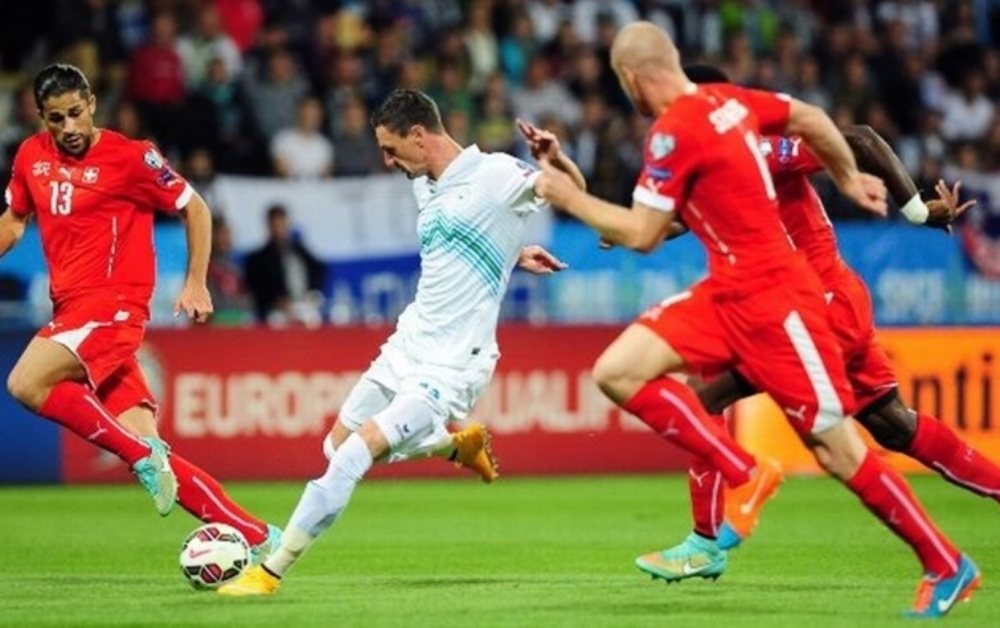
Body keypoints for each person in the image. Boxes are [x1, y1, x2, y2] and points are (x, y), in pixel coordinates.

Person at [532, 23, 977, 617]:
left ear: (632, 78)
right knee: (618, 370)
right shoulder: (733, 105)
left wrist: (565, 196)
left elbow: (641, 234)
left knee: (838, 448)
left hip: (779, 299)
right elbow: (811, 118)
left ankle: (945, 562)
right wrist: (849, 178)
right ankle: (743, 473)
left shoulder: (670, 134)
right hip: (726, 292)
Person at [637, 69, 994, 610]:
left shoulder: (760, 147)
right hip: (826, 300)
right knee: (894, 426)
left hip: (816, 303)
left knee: (701, 397)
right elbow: (676, 219)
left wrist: (916, 209)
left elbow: (860, 140)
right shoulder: (719, 159)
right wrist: (626, 229)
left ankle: (707, 540)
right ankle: (954, 549)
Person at [218, 89, 569, 596]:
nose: (386, 161)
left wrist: (557, 161)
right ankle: (453, 445)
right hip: (408, 343)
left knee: (354, 456)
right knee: (334, 447)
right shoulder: (424, 183)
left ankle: (269, 572)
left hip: (452, 364)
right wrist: (511, 253)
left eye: (390, 148)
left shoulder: (495, 174)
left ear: (419, 136)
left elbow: (568, 190)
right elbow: (462, 239)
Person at [0, 64, 279, 562]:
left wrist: (195, 281)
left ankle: (139, 455)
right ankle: (260, 536)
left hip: (111, 307)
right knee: (153, 448)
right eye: (56, 118)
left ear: (92, 103)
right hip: (72, 309)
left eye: (76, 113)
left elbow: (195, 208)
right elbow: (14, 221)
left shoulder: (132, 157)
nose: (68, 127)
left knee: (25, 383)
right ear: (41, 117)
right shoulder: (30, 156)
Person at [244, 204, 326, 326]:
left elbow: (320, 269)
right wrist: (276, 301)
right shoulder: (258, 258)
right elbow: (256, 288)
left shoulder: (299, 250)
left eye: (282, 224)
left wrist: (312, 293)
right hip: (277, 310)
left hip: (304, 304)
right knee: (276, 322)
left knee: (313, 321)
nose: (279, 229)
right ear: (268, 226)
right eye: (275, 225)